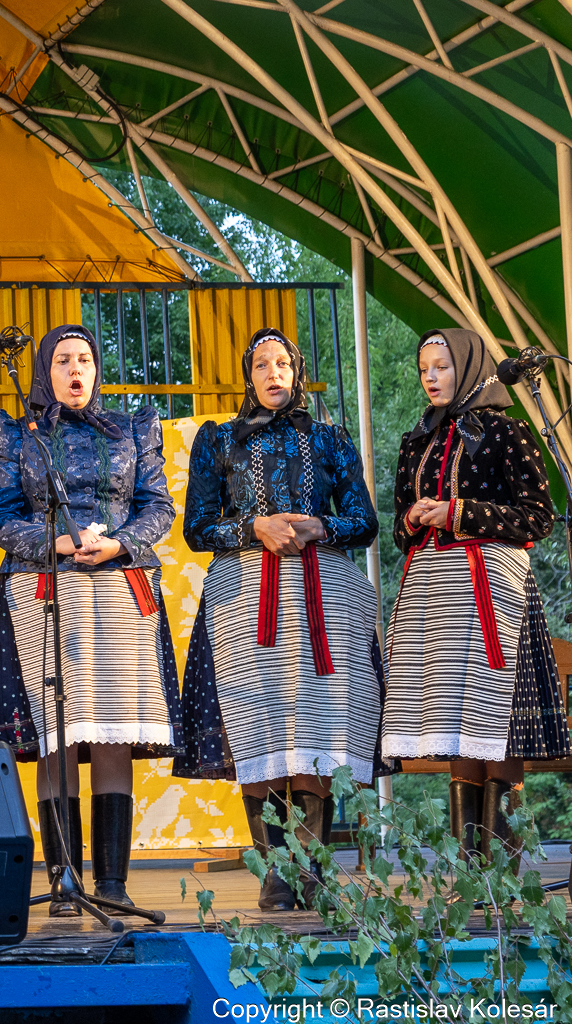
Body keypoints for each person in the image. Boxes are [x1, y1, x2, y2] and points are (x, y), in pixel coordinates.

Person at [173, 327, 385, 911]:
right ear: (249, 375)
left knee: (318, 729)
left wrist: (322, 527)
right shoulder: (219, 441)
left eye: (282, 363)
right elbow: (197, 528)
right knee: (258, 727)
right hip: (244, 600)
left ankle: (312, 872)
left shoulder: (331, 440)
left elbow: (365, 521)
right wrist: (252, 529)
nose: (273, 373)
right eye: (261, 364)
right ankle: (274, 875)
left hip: (324, 600)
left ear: (297, 373)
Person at [0, 325, 179, 912]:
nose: (76, 369)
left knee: (114, 733)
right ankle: (64, 880)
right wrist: (61, 544)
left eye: (86, 359)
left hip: (121, 586)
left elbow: (160, 506)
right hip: (44, 586)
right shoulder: (17, 433)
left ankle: (113, 885)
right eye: (64, 360)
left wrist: (118, 543)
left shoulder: (133, 428)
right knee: (56, 737)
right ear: (45, 370)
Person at [382, 329, 570, 862]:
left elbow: (539, 515)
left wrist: (460, 512)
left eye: (441, 367)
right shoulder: (416, 439)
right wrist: (416, 517)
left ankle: (503, 865)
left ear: (466, 367)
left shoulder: (508, 433)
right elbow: (398, 524)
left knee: (495, 724)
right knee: (453, 721)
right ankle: (471, 868)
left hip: (492, 589)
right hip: (435, 593)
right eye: (424, 370)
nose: (432, 378)